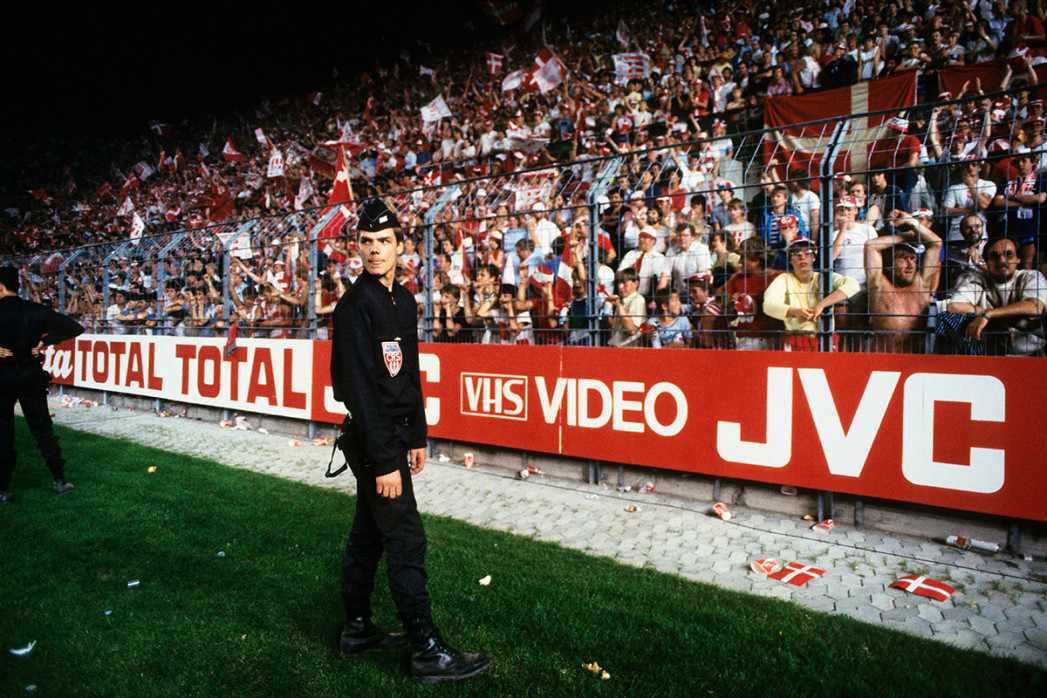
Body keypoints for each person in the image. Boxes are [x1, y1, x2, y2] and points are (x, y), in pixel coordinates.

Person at [329, 199, 490, 683]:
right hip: (375, 442)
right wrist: (383, 461)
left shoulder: (404, 300)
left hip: (398, 437)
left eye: (384, 242)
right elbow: (357, 389)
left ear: (402, 246)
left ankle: (357, 630)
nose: (375, 251)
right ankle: (427, 650)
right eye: (366, 242)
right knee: (404, 538)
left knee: (368, 534)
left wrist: (418, 433)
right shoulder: (354, 306)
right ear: (356, 247)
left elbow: (410, 374)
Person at [0, 266, 84, 504]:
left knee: (3, 433)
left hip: (3, 375)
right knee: (42, 430)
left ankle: (4, 489)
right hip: (30, 374)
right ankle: (59, 480)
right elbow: (74, 327)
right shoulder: (34, 310)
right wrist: (45, 342)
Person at [943, 235, 1047, 355]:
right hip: (992, 354)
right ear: (987, 262)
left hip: (1032, 354)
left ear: (1018, 259)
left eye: (1008, 254)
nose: (1002, 260)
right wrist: (996, 322)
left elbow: (1035, 306)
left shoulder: (1031, 277)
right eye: (995, 256)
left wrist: (989, 314)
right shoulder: (979, 279)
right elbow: (954, 306)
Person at [865, 210, 943, 353]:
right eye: (903, 258)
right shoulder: (879, 285)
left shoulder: (921, 284)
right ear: (889, 267)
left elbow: (936, 244)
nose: (910, 265)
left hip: (914, 363)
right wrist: (906, 236)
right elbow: (871, 246)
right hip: (883, 362)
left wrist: (910, 221)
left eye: (913, 259)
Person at [763, 238, 860, 351]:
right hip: (796, 338)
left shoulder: (824, 277)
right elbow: (768, 305)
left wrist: (821, 305)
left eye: (808, 253)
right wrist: (794, 311)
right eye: (796, 254)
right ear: (789, 259)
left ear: (814, 258)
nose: (802, 257)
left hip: (825, 337)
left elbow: (853, 286)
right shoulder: (784, 279)